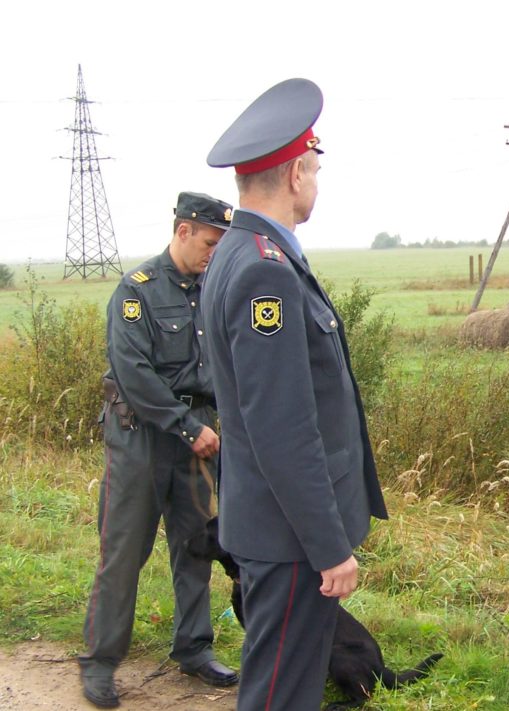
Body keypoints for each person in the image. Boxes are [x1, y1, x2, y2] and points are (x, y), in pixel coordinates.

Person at [201, 78, 389, 711]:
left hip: (273, 526)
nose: (316, 180)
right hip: (290, 539)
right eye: (315, 167)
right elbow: (282, 427)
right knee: (282, 692)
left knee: (287, 684)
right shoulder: (263, 269)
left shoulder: (239, 251)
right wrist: (328, 546)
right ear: (297, 170)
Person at [79, 192, 239, 708]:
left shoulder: (213, 289)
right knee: (124, 552)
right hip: (142, 437)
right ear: (184, 230)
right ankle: (101, 662)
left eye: (222, 244)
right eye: (210, 242)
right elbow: (134, 373)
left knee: (195, 546)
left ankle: (194, 649)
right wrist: (187, 428)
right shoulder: (138, 291)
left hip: (199, 436)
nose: (214, 252)